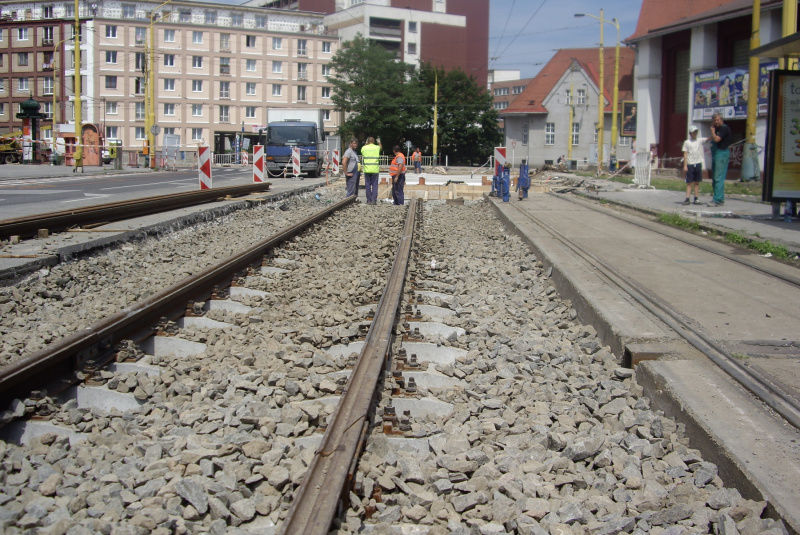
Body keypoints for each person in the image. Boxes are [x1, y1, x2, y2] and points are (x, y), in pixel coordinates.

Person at [708, 112, 732, 207]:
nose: (716, 122)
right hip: (716, 154)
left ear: (721, 120)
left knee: (718, 178)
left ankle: (716, 199)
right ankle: (720, 198)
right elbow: (712, 138)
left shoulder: (724, 128)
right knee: (715, 178)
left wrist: (712, 131)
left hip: (721, 154)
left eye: (717, 120)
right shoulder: (717, 129)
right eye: (714, 120)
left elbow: (717, 139)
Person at [682, 125, 706, 205]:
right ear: (690, 133)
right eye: (693, 132)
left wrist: (713, 130)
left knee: (697, 182)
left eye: (696, 132)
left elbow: (708, 139)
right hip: (690, 164)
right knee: (689, 182)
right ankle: (687, 198)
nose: (695, 133)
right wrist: (685, 165)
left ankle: (696, 198)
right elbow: (685, 154)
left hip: (698, 163)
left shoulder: (699, 140)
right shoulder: (687, 142)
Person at [361, 136, 381, 205]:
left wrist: (366, 143)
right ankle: (373, 200)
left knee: (368, 186)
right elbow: (380, 148)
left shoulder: (364, 148)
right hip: (375, 170)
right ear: (374, 141)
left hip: (367, 170)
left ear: (367, 141)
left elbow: (363, 149)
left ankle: (368, 200)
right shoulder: (377, 147)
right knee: (375, 185)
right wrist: (379, 142)